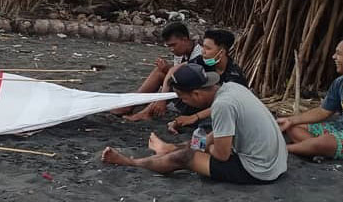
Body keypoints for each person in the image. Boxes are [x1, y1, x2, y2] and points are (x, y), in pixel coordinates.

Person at [102, 63, 287, 185]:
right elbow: (221, 134)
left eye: (183, 98)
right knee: (199, 142)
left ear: (196, 94)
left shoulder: (222, 105)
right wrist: (203, 144)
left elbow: (221, 155)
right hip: (277, 162)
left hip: (259, 170)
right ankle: (167, 148)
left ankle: (131, 162)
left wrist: (201, 149)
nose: (184, 103)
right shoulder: (231, 88)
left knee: (185, 157)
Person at [278, 34, 343, 163]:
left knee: (325, 141)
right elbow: (324, 111)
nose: (334, 57)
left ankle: (285, 148)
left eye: (339, 53)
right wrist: (291, 120)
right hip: (342, 129)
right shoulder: (340, 82)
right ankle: (317, 148)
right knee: (293, 128)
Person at [168, 29, 249, 132]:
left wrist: (195, 117)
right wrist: (160, 102)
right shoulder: (201, 60)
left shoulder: (234, 76)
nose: (203, 51)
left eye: (208, 48)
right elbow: (178, 73)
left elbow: (228, 105)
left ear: (221, 52)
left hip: (221, 109)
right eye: (203, 47)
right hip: (202, 103)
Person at [120, 22, 202, 121]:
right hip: (185, 87)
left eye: (173, 45)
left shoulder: (199, 54)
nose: (171, 49)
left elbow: (186, 75)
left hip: (196, 96)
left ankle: (145, 111)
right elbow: (177, 71)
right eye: (169, 46)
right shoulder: (181, 52)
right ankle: (133, 102)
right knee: (160, 72)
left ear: (184, 39)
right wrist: (166, 69)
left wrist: (162, 98)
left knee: (172, 79)